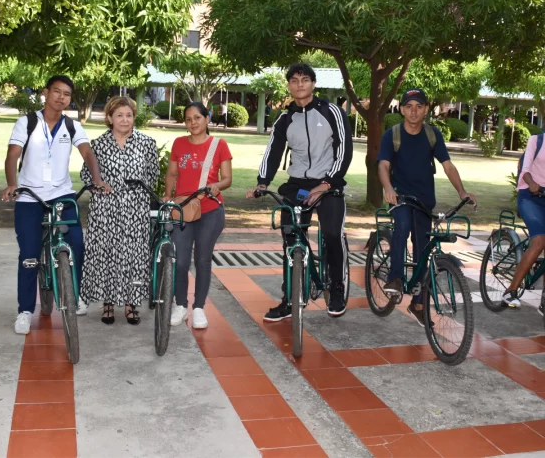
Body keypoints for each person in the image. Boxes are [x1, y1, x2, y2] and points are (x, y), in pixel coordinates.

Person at [2, 75, 110, 335]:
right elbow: (12, 155)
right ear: (45, 93)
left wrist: (97, 179)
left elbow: (87, 153)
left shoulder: (72, 126)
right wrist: (12, 183)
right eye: (57, 92)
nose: (61, 98)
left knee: (77, 244)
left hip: (62, 196)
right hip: (30, 197)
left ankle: (75, 295)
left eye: (66, 94)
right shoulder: (26, 122)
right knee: (28, 256)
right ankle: (25, 311)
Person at [246, 63, 353, 320]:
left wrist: (327, 183)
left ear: (313, 83)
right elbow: (273, 151)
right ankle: (290, 297)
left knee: (331, 233)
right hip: (297, 185)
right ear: (289, 85)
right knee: (290, 239)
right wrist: (263, 181)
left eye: (305, 79)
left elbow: (344, 150)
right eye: (294, 80)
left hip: (329, 184)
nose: (299, 84)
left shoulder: (332, 112)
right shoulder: (285, 118)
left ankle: (336, 286)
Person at [378, 88, 476, 324]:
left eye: (419, 106)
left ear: (425, 110)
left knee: (424, 250)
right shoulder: (392, 135)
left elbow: (448, 166)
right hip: (400, 196)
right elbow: (383, 165)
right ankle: (395, 278)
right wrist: (388, 188)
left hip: (424, 200)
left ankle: (418, 303)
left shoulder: (433, 135)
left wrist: (462, 191)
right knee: (401, 227)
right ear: (401, 109)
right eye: (409, 106)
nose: (413, 111)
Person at [80, 96, 159, 325]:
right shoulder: (97, 144)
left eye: (129, 115)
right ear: (109, 118)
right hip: (105, 209)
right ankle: (108, 304)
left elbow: (152, 177)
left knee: (134, 256)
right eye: (119, 115)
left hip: (136, 209)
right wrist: (102, 189)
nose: (125, 120)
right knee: (106, 255)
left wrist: (134, 196)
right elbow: (87, 176)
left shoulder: (147, 143)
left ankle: (131, 304)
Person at [164, 101, 232, 329]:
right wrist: (167, 195)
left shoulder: (218, 144)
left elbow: (227, 178)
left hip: (211, 210)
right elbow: (172, 174)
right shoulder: (179, 143)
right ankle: (180, 305)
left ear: (207, 119)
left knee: (203, 260)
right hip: (183, 210)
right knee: (181, 261)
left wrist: (217, 186)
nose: (193, 122)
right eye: (188, 119)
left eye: (197, 118)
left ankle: (199, 308)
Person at [501, 134, 545, 309]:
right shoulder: (537, 140)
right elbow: (525, 169)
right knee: (539, 241)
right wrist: (532, 183)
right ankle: (511, 291)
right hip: (531, 195)